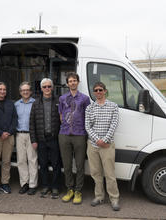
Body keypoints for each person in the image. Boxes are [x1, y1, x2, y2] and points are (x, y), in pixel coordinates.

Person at [85, 82, 120, 211]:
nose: (98, 92)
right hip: (93, 145)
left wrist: (104, 140)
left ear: (105, 91)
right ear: (94, 92)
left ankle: (114, 199)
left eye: (100, 90)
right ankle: (99, 196)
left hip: (107, 145)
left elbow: (114, 124)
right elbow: (87, 126)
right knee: (96, 173)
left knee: (110, 174)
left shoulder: (113, 106)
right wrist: (97, 140)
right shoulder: (89, 108)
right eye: (96, 90)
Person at [58, 72, 90, 205]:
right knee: (66, 165)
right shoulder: (62, 98)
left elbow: (88, 116)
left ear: (78, 82)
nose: (72, 83)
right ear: (67, 83)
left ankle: (78, 191)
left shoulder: (84, 98)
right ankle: (69, 189)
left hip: (79, 135)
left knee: (79, 165)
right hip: (64, 134)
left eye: (74, 80)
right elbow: (61, 115)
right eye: (70, 81)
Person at [30, 78, 61, 199]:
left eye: (49, 86)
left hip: (54, 138)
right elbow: (31, 123)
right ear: (41, 89)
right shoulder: (35, 103)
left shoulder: (59, 101)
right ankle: (45, 186)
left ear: (52, 88)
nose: (47, 89)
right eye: (45, 87)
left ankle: (55, 187)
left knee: (56, 164)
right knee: (42, 164)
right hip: (41, 139)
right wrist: (33, 140)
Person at [15, 82, 38, 195]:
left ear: (30, 91)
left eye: (27, 90)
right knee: (21, 160)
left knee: (32, 160)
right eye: (23, 90)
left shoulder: (35, 103)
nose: (25, 92)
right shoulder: (16, 104)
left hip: (31, 135)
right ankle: (24, 184)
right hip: (19, 134)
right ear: (20, 92)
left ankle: (33, 185)